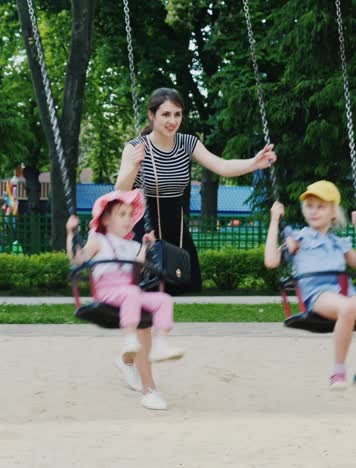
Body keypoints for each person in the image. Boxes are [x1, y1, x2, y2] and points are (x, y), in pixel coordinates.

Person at [114, 87, 277, 402]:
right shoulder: (135, 147)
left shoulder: (187, 143)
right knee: (149, 303)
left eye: (177, 114)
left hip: (174, 226)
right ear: (152, 116)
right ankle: (150, 387)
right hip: (142, 224)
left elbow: (222, 165)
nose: (172, 121)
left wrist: (254, 163)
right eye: (165, 115)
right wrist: (133, 166)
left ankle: (126, 360)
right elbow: (120, 190)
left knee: (165, 295)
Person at [66, 189, 184, 410]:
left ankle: (161, 343)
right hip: (107, 292)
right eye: (122, 214)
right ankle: (130, 339)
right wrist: (71, 234)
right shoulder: (98, 240)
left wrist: (148, 246)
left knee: (163, 300)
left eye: (131, 215)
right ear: (106, 218)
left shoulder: (131, 245)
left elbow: (139, 265)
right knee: (132, 292)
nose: (129, 219)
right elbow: (77, 258)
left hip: (129, 294)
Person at [264, 180, 356, 390]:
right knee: (349, 306)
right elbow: (271, 261)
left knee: (350, 305)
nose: (314, 211)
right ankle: (338, 372)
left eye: (321, 206)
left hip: (346, 295)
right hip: (319, 296)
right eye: (310, 206)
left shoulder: (339, 243)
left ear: (333, 212)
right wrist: (274, 221)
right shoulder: (299, 238)